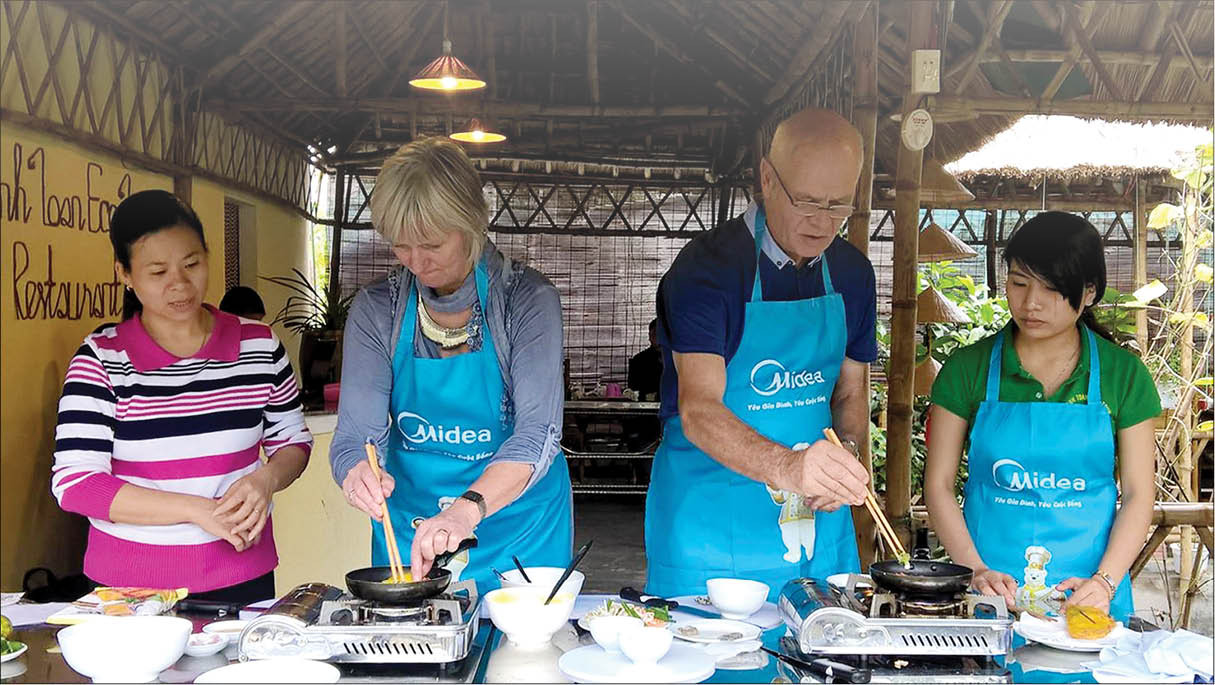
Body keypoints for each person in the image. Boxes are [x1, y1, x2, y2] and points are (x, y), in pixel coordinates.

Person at [645, 108, 874, 599]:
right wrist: (790, 470)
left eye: (839, 206)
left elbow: (851, 391)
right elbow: (700, 409)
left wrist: (848, 464)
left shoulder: (853, 274)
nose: (822, 222)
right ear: (767, 179)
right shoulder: (707, 270)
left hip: (818, 526)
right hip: (711, 524)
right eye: (808, 201)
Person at [330, 137, 573, 590]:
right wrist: (356, 471)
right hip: (416, 536)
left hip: (519, 532)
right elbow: (354, 436)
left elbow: (538, 433)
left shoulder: (526, 301)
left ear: (471, 223)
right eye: (402, 246)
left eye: (432, 244)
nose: (416, 262)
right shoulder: (377, 310)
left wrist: (468, 508)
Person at [51, 190, 312, 604]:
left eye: (192, 264)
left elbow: (293, 440)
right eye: (157, 272)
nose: (180, 284)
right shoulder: (100, 360)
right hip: (130, 585)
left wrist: (266, 480)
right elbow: (76, 484)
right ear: (124, 274)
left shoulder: (259, 346)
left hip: (243, 573)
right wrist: (196, 509)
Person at [925, 211, 1159, 621]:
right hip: (987, 592)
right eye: (1018, 283)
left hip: (1088, 594)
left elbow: (1139, 494)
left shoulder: (1125, 376)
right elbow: (939, 484)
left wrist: (1105, 581)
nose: (1030, 303)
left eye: (1051, 289)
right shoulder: (967, 369)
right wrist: (975, 569)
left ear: (1089, 292)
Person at [627, 319, 663, 402]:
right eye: (654, 334)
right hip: (646, 407)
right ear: (649, 336)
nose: (657, 338)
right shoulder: (638, 360)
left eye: (660, 334)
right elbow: (633, 390)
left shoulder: (677, 358)